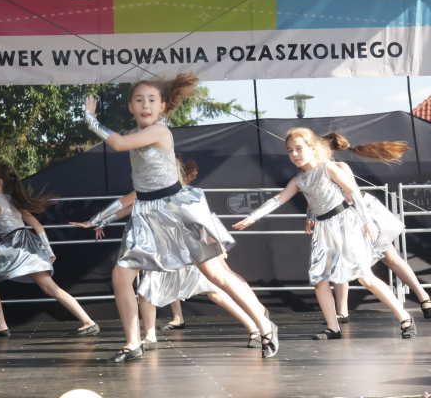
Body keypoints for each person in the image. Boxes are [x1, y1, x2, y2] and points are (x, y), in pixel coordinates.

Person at [75, 72, 277, 362]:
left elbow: (116, 144)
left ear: (161, 107)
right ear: (131, 107)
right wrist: (100, 218)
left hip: (178, 211)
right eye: (139, 100)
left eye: (152, 100)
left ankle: (265, 325)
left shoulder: (159, 131)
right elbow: (137, 191)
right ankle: (133, 343)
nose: (145, 105)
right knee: (121, 276)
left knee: (215, 275)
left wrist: (90, 119)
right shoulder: (132, 135)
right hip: (148, 214)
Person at [233, 127, 416, 341]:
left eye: (299, 148)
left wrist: (367, 221)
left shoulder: (328, 168)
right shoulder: (299, 180)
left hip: (345, 224)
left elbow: (353, 192)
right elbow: (278, 199)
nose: (294, 154)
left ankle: (405, 317)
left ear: (312, 148)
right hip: (323, 231)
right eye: (290, 150)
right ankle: (333, 327)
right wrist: (253, 217)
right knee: (319, 280)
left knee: (365, 278)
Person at [306, 132, 431, 324]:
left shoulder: (339, 167)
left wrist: (333, 201)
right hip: (339, 221)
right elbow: (313, 200)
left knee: (391, 258)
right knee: (340, 262)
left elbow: (351, 194)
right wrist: (311, 216)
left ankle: (424, 298)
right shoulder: (312, 173)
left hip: (360, 215)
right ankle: (342, 312)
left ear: (328, 151)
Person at [0, 163, 99, 337]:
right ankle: (88, 321)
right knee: (50, 288)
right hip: (28, 245)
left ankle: (1, 324)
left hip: (15, 245)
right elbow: (38, 227)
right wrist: (49, 252)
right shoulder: (15, 200)